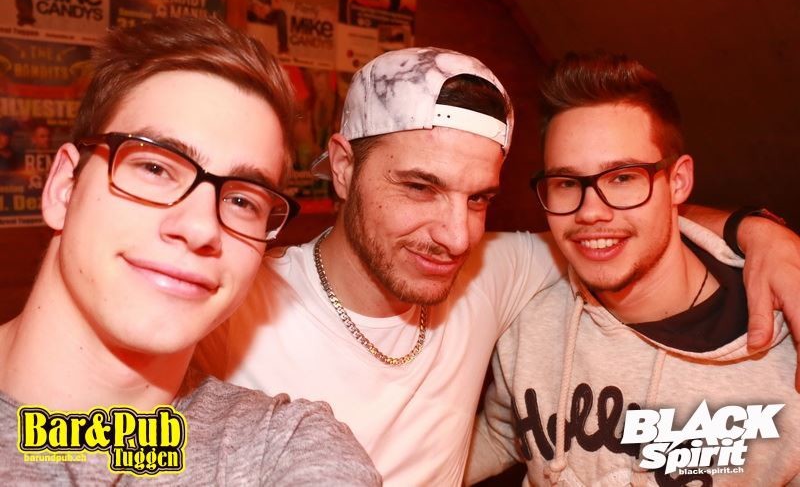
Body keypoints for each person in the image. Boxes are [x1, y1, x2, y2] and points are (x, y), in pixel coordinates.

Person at [197, 47, 800, 486]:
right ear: (344, 167)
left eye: (479, 198)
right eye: (420, 187)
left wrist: (759, 231)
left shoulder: (495, 273)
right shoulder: (230, 303)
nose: (456, 236)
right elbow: (133, 439)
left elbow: (607, 226)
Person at [0, 16, 380, 485]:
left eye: (242, 201)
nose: (201, 227)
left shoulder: (284, 448)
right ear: (64, 188)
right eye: (155, 168)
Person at [467, 53, 800, 485]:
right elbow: (506, 433)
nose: (591, 212)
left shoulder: (782, 350)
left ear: (678, 182)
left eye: (622, 177)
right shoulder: (531, 308)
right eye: (567, 183)